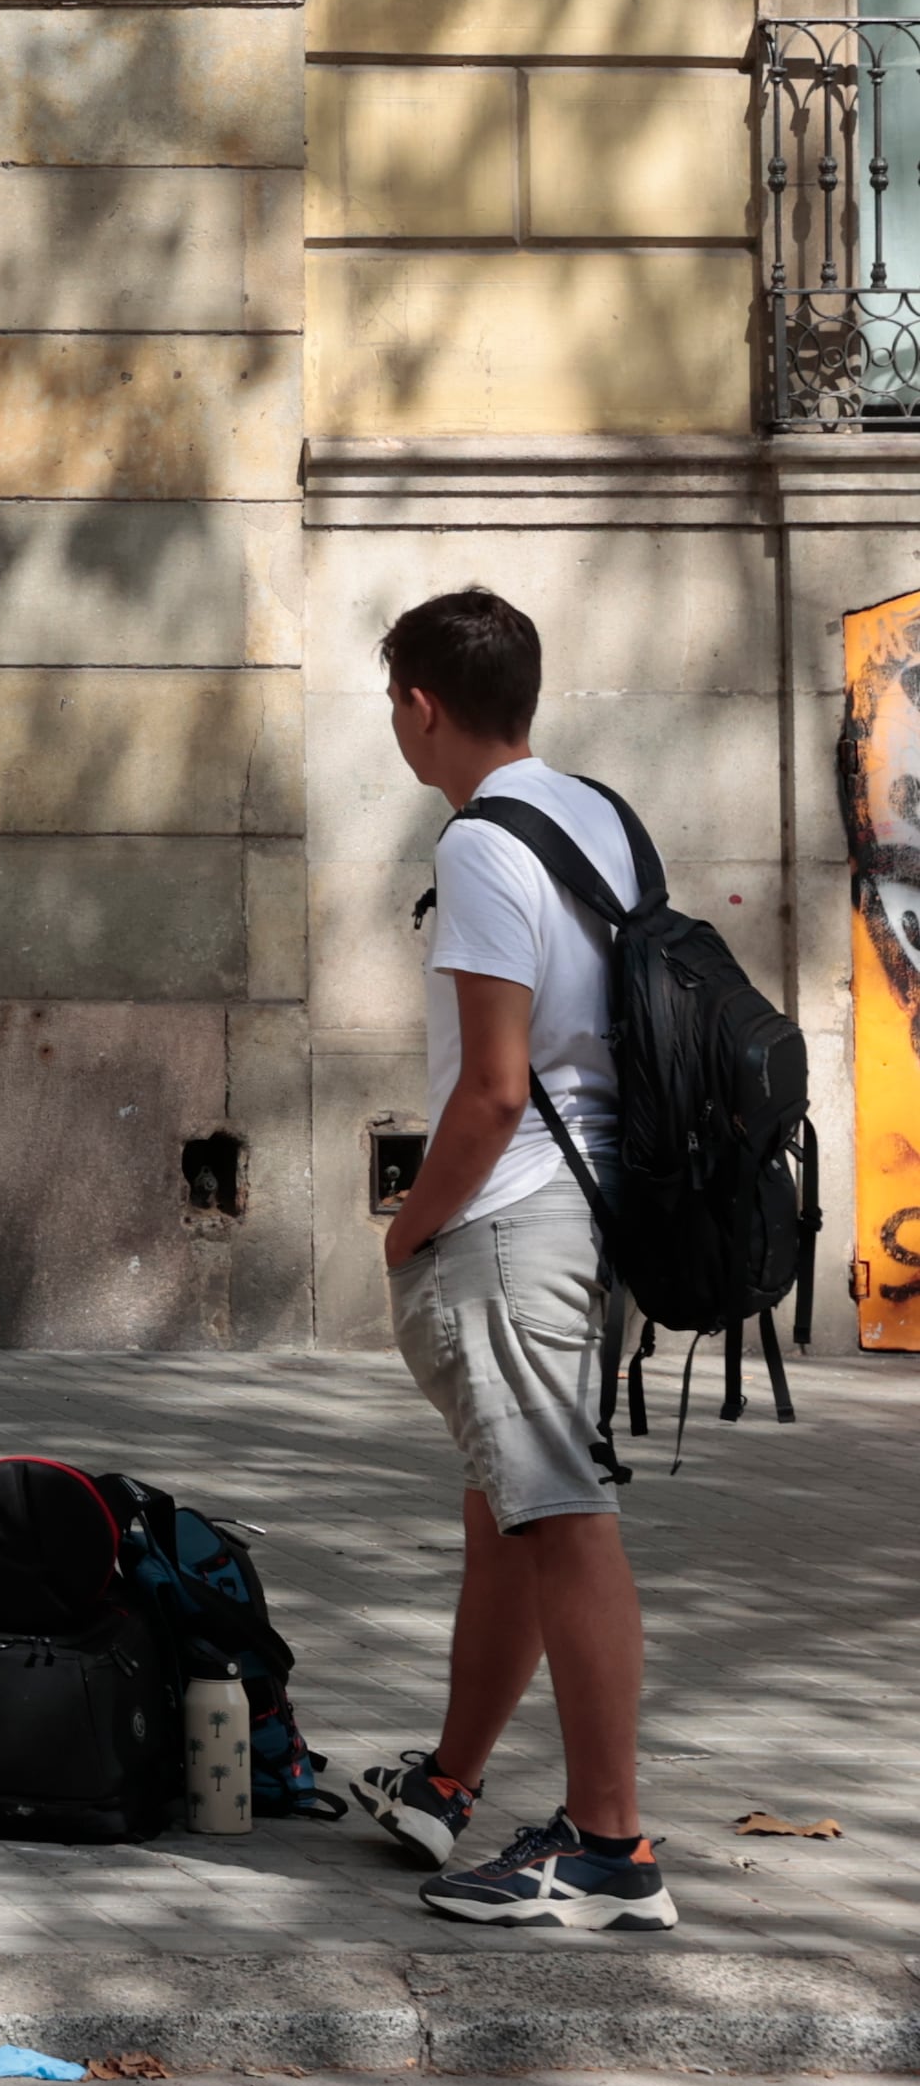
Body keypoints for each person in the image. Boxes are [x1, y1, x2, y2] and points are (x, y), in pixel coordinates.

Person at [349, 586, 672, 1928]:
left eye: (393, 704)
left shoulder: (484, 843)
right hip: (603, 1212)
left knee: (562, 1518)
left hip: (519, 1219)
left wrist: (409, 1226)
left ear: (423, 705)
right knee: (512, 1514)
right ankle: (448, 1783)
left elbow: (491, 1088)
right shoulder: (602, 813)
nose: (395, 726)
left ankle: (611, 1848)